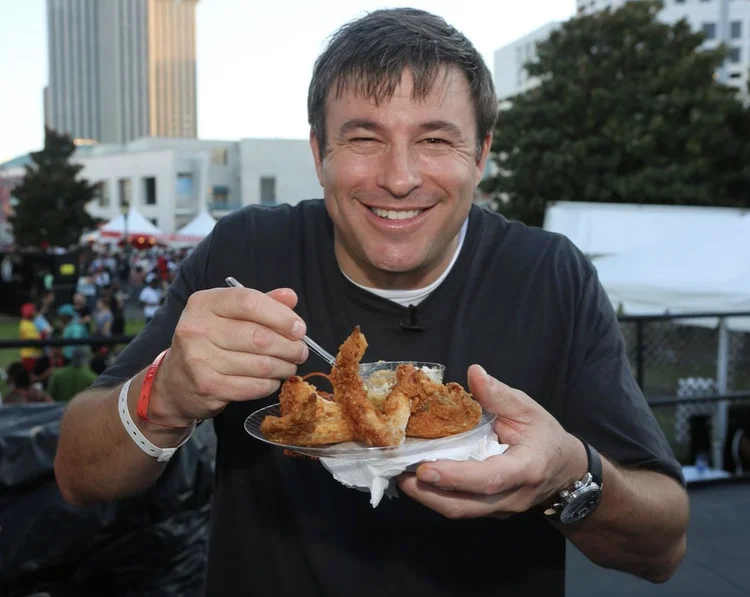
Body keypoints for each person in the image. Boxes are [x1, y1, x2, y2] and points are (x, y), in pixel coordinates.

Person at [55, 9, 689, 597]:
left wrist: (566, 477)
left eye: (437, 140)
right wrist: (163, 395)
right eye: (363, 138)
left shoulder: (549, 277)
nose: (399, 177)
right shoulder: (245, 254)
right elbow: (79, 476)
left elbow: (662, 547)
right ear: (318, 153)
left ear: (482, 155)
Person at [18, 303, 42, 372]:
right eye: (33, 310)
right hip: (30, 356)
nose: (35, 312)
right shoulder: (28, 326)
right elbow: (35, 342)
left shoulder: (25, 323)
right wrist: (44, 335)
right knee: (31, 375)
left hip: (28, 355)